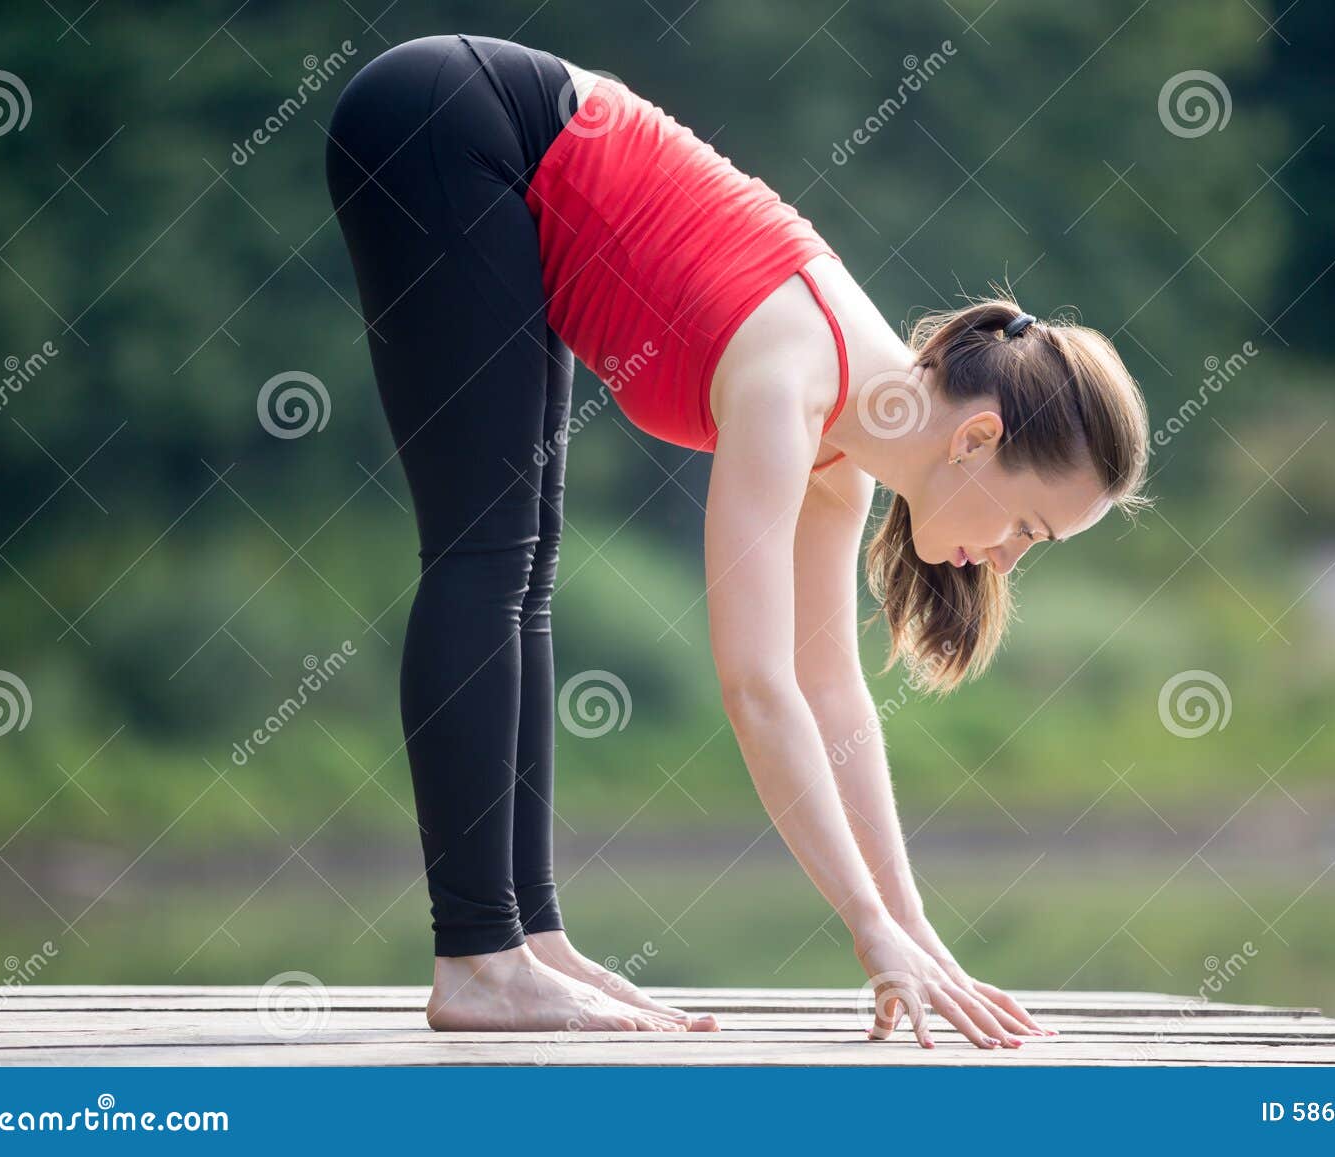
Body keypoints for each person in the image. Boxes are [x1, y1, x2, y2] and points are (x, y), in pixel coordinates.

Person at [326, 34, 1150, 1049]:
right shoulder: (796, 373)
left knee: (521, 574)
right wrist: (864, 929)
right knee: (486, 555)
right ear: (978, 438)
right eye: (1026, 526)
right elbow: (757, 686)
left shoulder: (851, 440)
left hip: (495, 152)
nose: (1008, 558)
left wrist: (910, 929)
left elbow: (830, 690)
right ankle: (479, 957)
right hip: (449, 123)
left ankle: (524, 940)